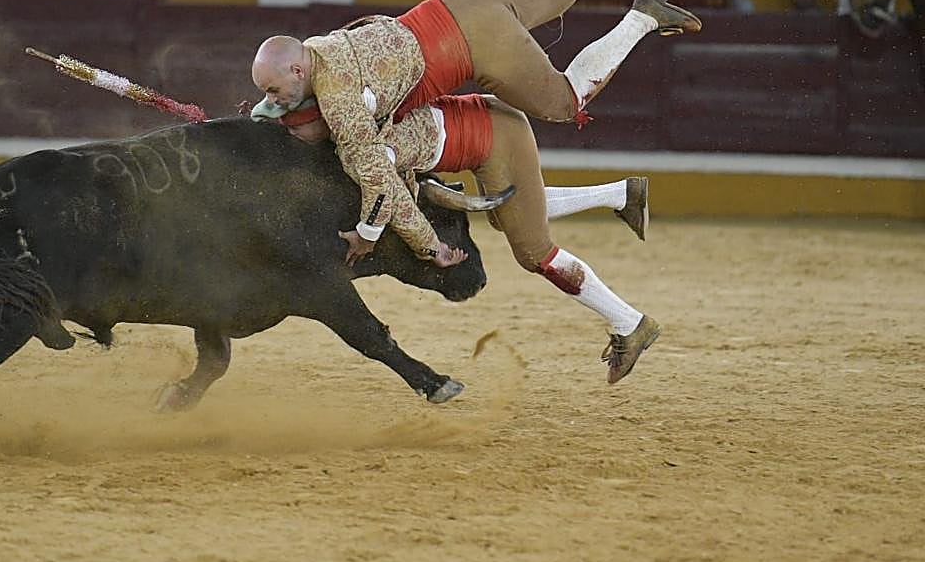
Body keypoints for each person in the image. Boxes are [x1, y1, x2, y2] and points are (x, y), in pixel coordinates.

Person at [250, 0, 700, 381]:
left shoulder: (346, 115)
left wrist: (393, 239)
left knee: (564, 106)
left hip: (469, 50)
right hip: (461, 0)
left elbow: (379, 185)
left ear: (298, 74)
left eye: (278, 97)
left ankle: (642, 19)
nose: (282, 107)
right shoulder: (324, 45)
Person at [266, 96, 657, 384]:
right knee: (506, 217)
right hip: (472, 125)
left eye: (298, 124)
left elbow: (392, 197)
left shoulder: (362, 131)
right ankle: (620, 194)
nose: (295, 131)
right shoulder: (359, 93)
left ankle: (629, 320)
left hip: (483, 135)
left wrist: (422, 246)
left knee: (533, 250)